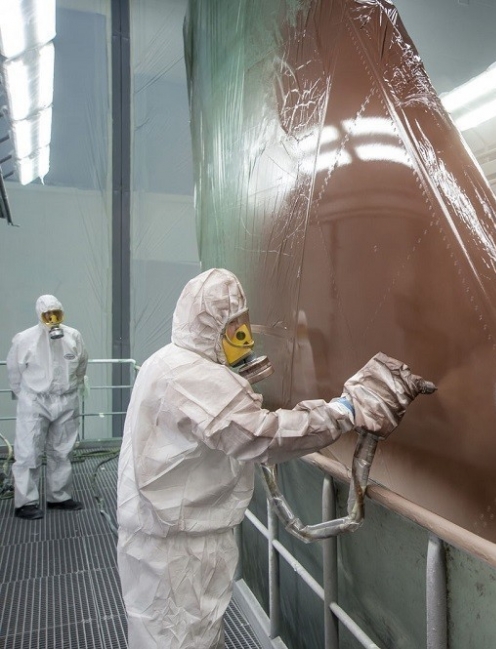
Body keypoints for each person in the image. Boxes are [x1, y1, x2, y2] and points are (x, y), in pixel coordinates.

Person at [116, 268, 434, 649]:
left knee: (171, 637)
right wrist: (347, 409)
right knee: (182, 641)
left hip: (158, 537)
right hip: (179, 551)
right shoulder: (198, 379)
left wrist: (232, 380)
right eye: (235, 332)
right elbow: (263, 437)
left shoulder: (166, 362)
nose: (245, 341)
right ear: (210, 330)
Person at [6, 294, 88, 520]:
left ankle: (59, 497)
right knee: (28, 452)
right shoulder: (24, 339)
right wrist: (26, 396)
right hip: (35, 400)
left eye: (56, 313)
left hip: (66, 399)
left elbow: (81, 365)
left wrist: (74, 389)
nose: (52, 318)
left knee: (62, 451)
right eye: (47, 314)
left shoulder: (73, 336)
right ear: (40, 315)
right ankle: (25, 502)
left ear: (61, 312)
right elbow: (14, 372)